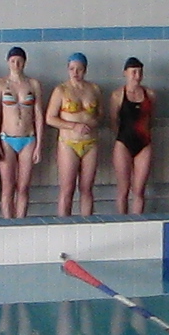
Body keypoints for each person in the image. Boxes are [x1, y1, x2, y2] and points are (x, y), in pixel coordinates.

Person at [48, 53, 104, 216]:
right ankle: (64, 227)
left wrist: (93, 122)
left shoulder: (94, 89)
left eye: (79, 69)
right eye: (72, 69)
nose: (75, 73)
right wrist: (73, 126)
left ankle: (87, 226)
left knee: (87, 189)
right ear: (68, 69)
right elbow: (50, 118)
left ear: (85, 70)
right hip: (68, 143)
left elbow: (101, 114)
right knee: (67, 189)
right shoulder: (61, 90)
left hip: (90, 143)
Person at [0, 49, 44, 221]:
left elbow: (38, 115)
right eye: (13, 61)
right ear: (8, 62)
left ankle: (21, 221)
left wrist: (39, 145)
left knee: (23, 187)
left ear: (25, 62)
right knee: (7, 187)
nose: (16, 64)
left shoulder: (33, 84)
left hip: (28, 139)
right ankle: (8, 223)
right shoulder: (0, 84)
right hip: (7, 139)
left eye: (19, 61)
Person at [112, 57, 156, 215]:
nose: (137, 76)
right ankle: (121, 223)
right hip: (123, 142)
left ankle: (138, 222)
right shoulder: (118, 95)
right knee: (123, 189)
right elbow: (114, 121)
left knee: (139, 190)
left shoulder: (149, 94)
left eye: (140, 72)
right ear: (125, 73)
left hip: (144, 143)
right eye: (134, 72)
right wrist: (121, 137)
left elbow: (151, 119)